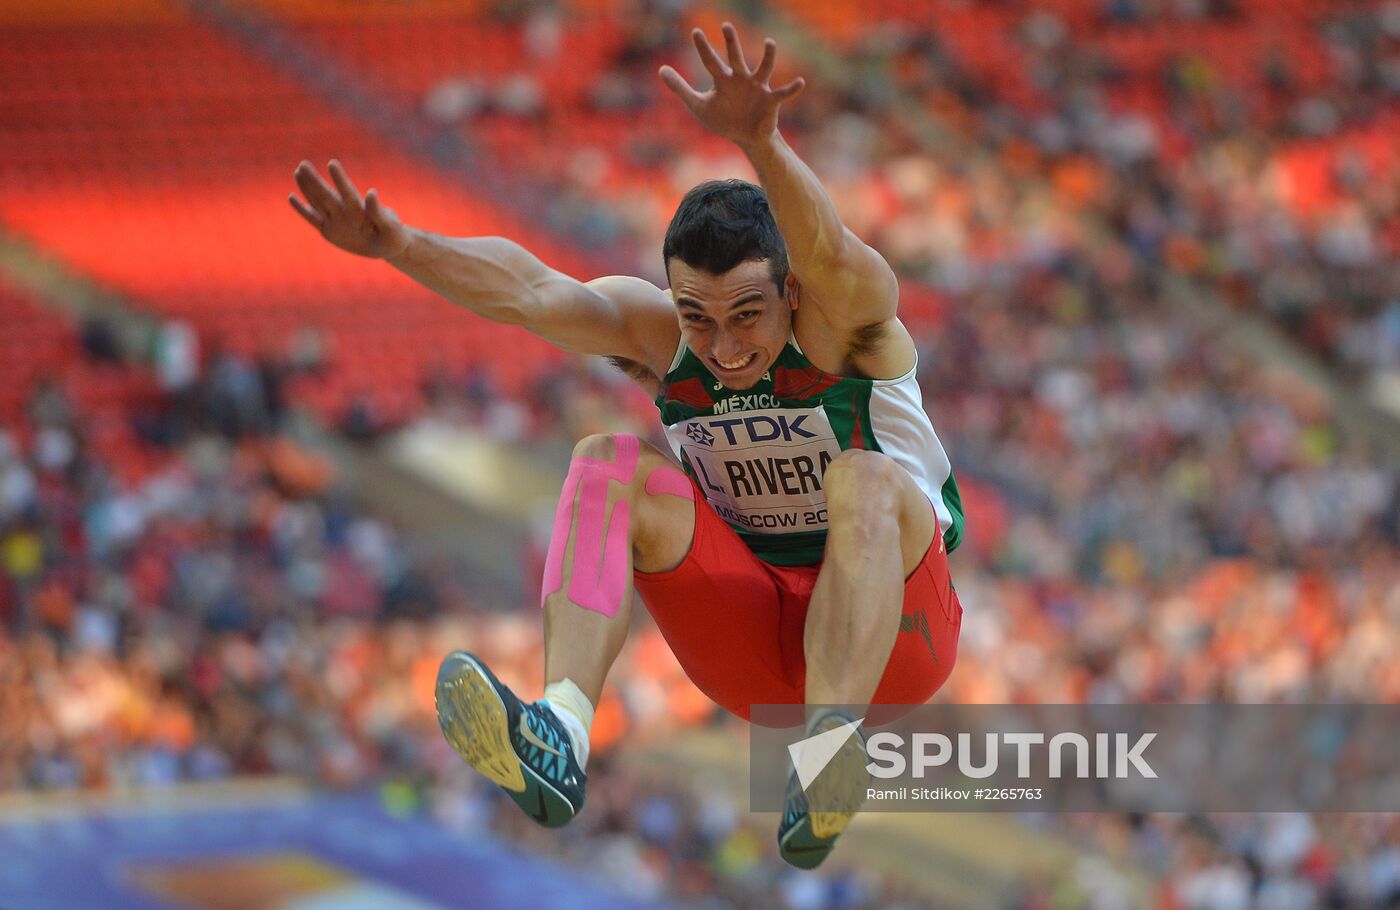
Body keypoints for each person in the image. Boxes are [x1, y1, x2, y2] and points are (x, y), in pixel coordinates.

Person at [289, 22, 965, 869]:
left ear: (791, 293)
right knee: (605, 458)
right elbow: (532, 290)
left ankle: (828, 754)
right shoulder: (663, 342)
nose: (722, 348)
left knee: (862, 478)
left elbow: (827, 250)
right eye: (698, 318)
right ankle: (561, 732)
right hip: (753, 647)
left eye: (748, 316)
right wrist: (400, 245)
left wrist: (761, 140)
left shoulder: (850, 321)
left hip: (895, 640)